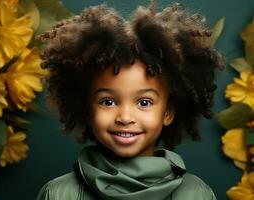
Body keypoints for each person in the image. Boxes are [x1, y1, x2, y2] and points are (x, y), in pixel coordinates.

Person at [37, 1, 223, 199]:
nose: (125, 117)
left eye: (144, 102)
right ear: (87, 110)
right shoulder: (59, 194)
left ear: (168, 112)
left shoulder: (195, 195)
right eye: (107, 102)